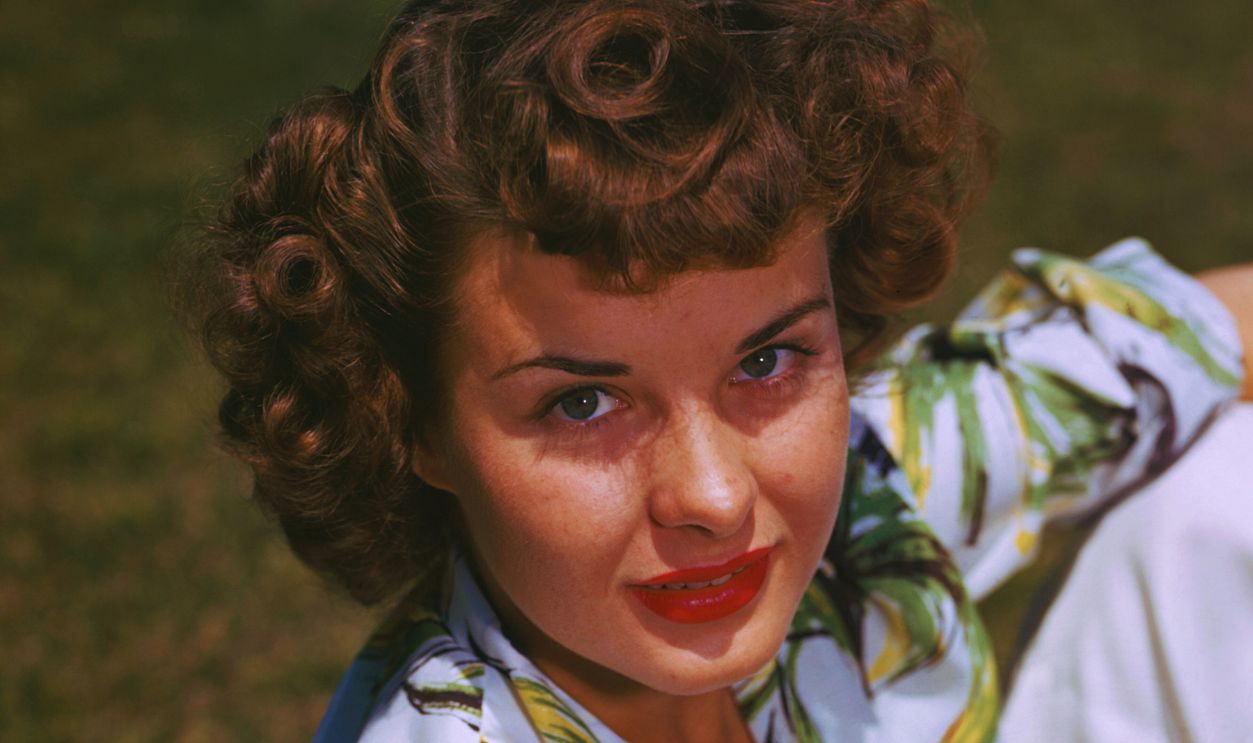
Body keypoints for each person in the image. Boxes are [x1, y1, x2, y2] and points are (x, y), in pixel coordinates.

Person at [179, 1, 1249, 740]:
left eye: (767, 358)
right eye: (582, 400)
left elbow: (1159, 341)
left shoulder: (871, 500)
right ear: (411, 424)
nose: (716, 493)